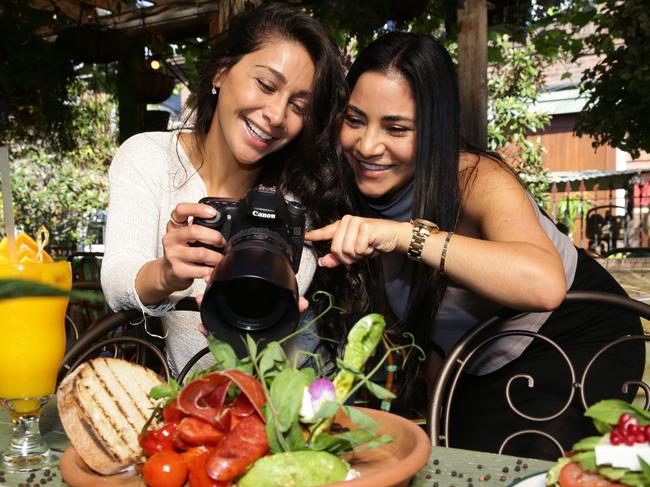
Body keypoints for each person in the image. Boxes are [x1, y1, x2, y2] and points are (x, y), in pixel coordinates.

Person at [306, 31, 644, 459]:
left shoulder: (476, 177)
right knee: (441, 458)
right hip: (473, 358)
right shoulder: (352, 189)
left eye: (396, 128)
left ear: (434, 131)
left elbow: (544, 286)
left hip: (576, 336)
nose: (367, 145)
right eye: (354, 120)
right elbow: (429, 324)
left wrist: (405, 235)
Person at [101, 2, 359, 377]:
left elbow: (266, 354)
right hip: (189, 404)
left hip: (293, 399)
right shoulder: (150, 157)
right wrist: (167, 274)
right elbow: (116, 279)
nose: (276, 115)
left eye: (298, 106)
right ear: (221, 72)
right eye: (266, 85)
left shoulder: (294, 201)